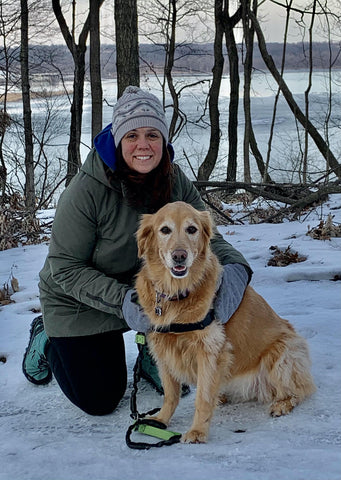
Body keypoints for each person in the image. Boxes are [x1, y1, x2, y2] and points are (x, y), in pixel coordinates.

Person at [22, 86, 252, 416]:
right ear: (117, 141)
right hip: (79, 299)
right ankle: (45, 336)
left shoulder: (174, 180)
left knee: (182, 375)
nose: (143, 145)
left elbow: (206, 239)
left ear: (164, 141)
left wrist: (236, 271)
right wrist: (124, 301)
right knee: (98, 399)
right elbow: (65, 267)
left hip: (155, 295)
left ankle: (150, 347)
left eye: (152, 135)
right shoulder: (85, 191)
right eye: (131, 135)